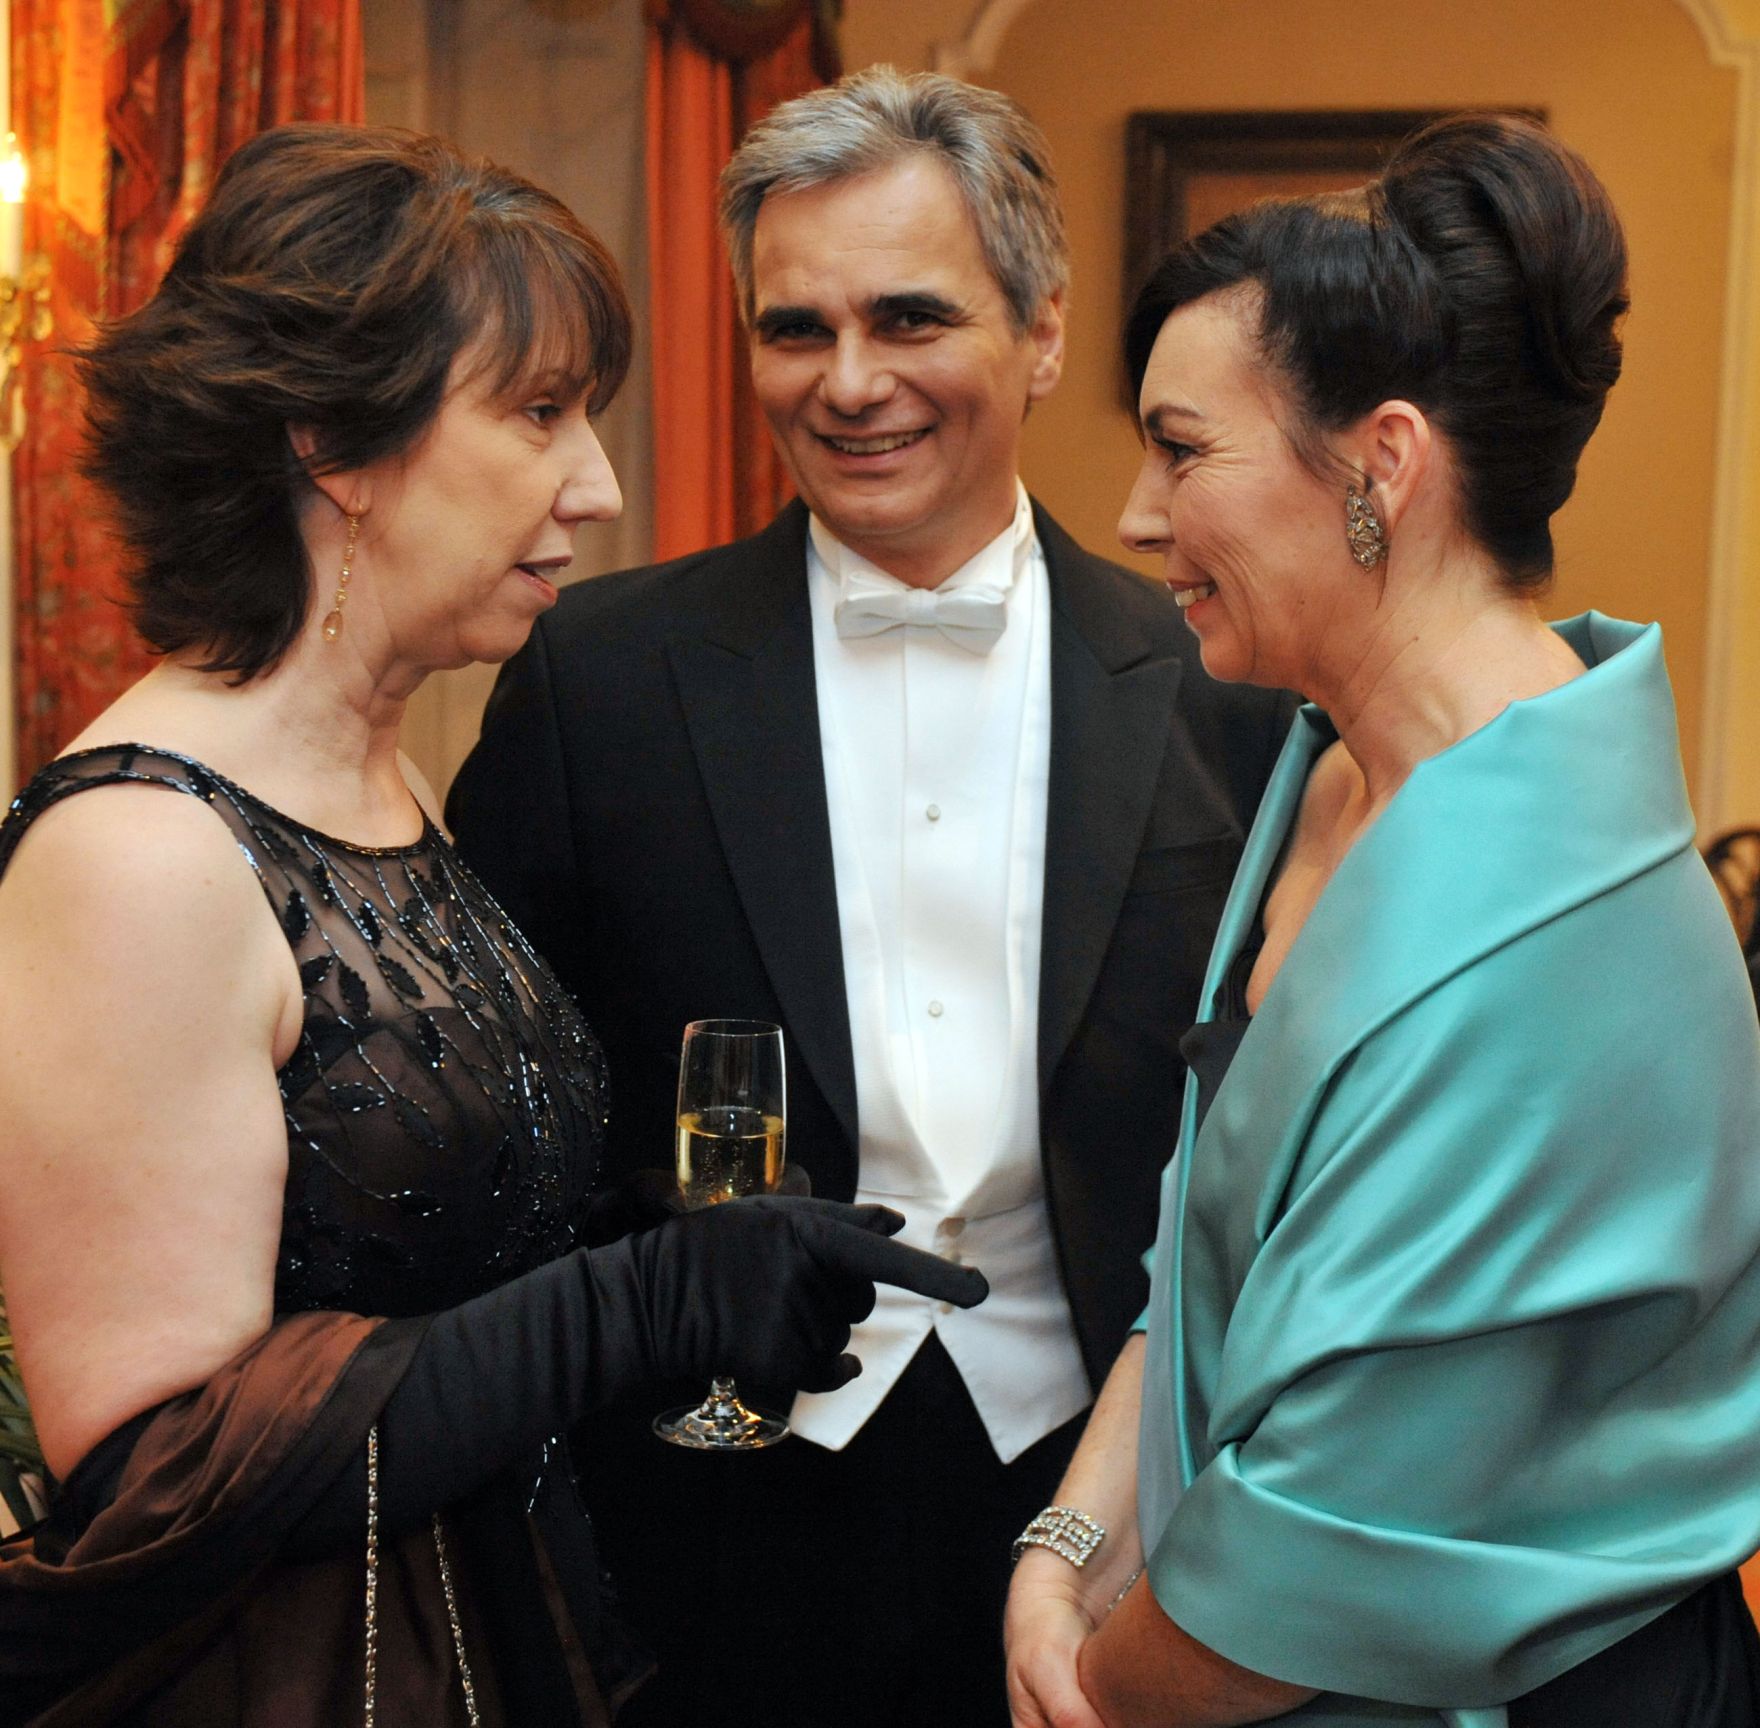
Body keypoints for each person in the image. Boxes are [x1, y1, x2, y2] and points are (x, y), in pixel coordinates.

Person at [0, 123, 987, 1728]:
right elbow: (155, 1474)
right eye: (537, 415)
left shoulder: (385, 783)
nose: (595, 487)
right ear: (331, 443)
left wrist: (692, 1269)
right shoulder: (140, 854)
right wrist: (635, 1309)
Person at [447, 65, 1293, 1728]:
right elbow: (502, 1132)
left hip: (1108, 1500)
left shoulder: (1226, 687)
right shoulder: (596, 683)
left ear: (1043, 333)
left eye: (911, 319)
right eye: (793, 329)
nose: (849, 385)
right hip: (708, 1519)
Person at [1003, 113, 1760, 1728]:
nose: (1135, 516)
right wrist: (1066, 1545)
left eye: (1182, 448)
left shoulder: (1562, 928)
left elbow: (1311, 1557)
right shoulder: (1330, 774)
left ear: (1381, 466)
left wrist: (1097, 1683)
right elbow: (1204, 1247)